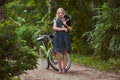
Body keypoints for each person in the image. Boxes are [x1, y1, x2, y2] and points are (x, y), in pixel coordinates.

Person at [53, 8, 72, 74]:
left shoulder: (67, 19)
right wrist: (63, 29)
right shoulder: (55, 20)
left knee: (64, 53)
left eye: (61, 13)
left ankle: (64, 69)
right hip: (57, 37)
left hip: (65, 37)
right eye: (59, 13)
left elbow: (70, 29)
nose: (60, 14)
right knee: (57, 53)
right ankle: (60, 68)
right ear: (57, 14)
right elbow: (54, 28)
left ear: (63, 13)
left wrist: (65, 24)